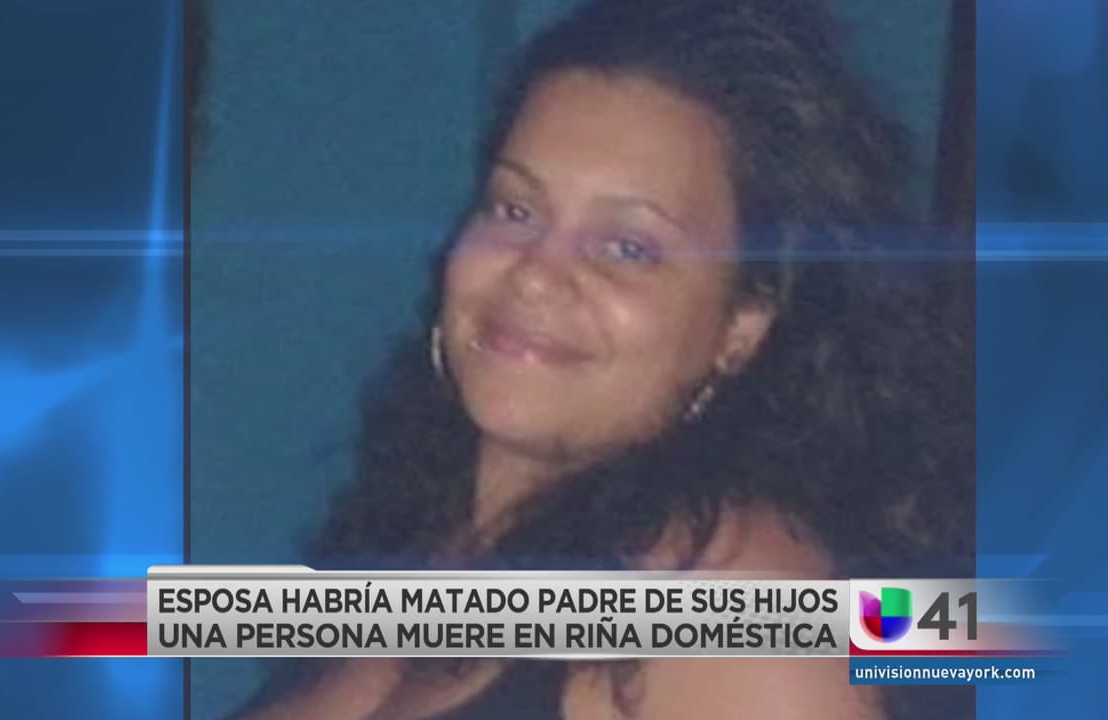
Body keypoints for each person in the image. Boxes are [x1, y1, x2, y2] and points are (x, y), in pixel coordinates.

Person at [227, 0, 974, 717]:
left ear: (741, 324)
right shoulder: (422, 538)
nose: (536, 273)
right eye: (515, 209)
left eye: (628, 247)